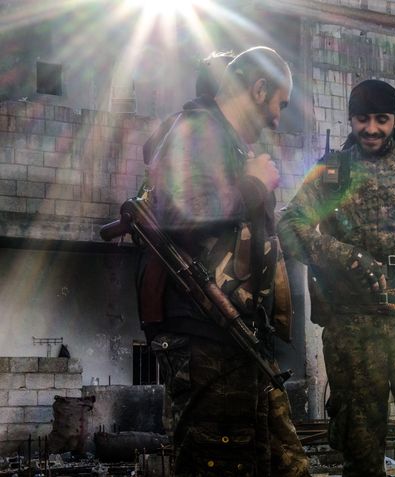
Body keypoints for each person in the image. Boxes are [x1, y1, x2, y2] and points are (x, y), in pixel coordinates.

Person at [138, 46, 309, 476]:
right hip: (205, 340)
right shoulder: (196, 132)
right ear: (257, 89)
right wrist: (252, 185)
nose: (277, 118)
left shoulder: (228, 145)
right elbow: (179, 213)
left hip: (241, 340)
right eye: (279, 104)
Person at [278, 79, 395, 477]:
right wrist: (347, 257)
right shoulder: (330, 172)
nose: (372, 129)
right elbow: (289, 225)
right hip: (352, 328)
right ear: (350, 120)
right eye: (363, 119)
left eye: (382, 119)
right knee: (360, 453)